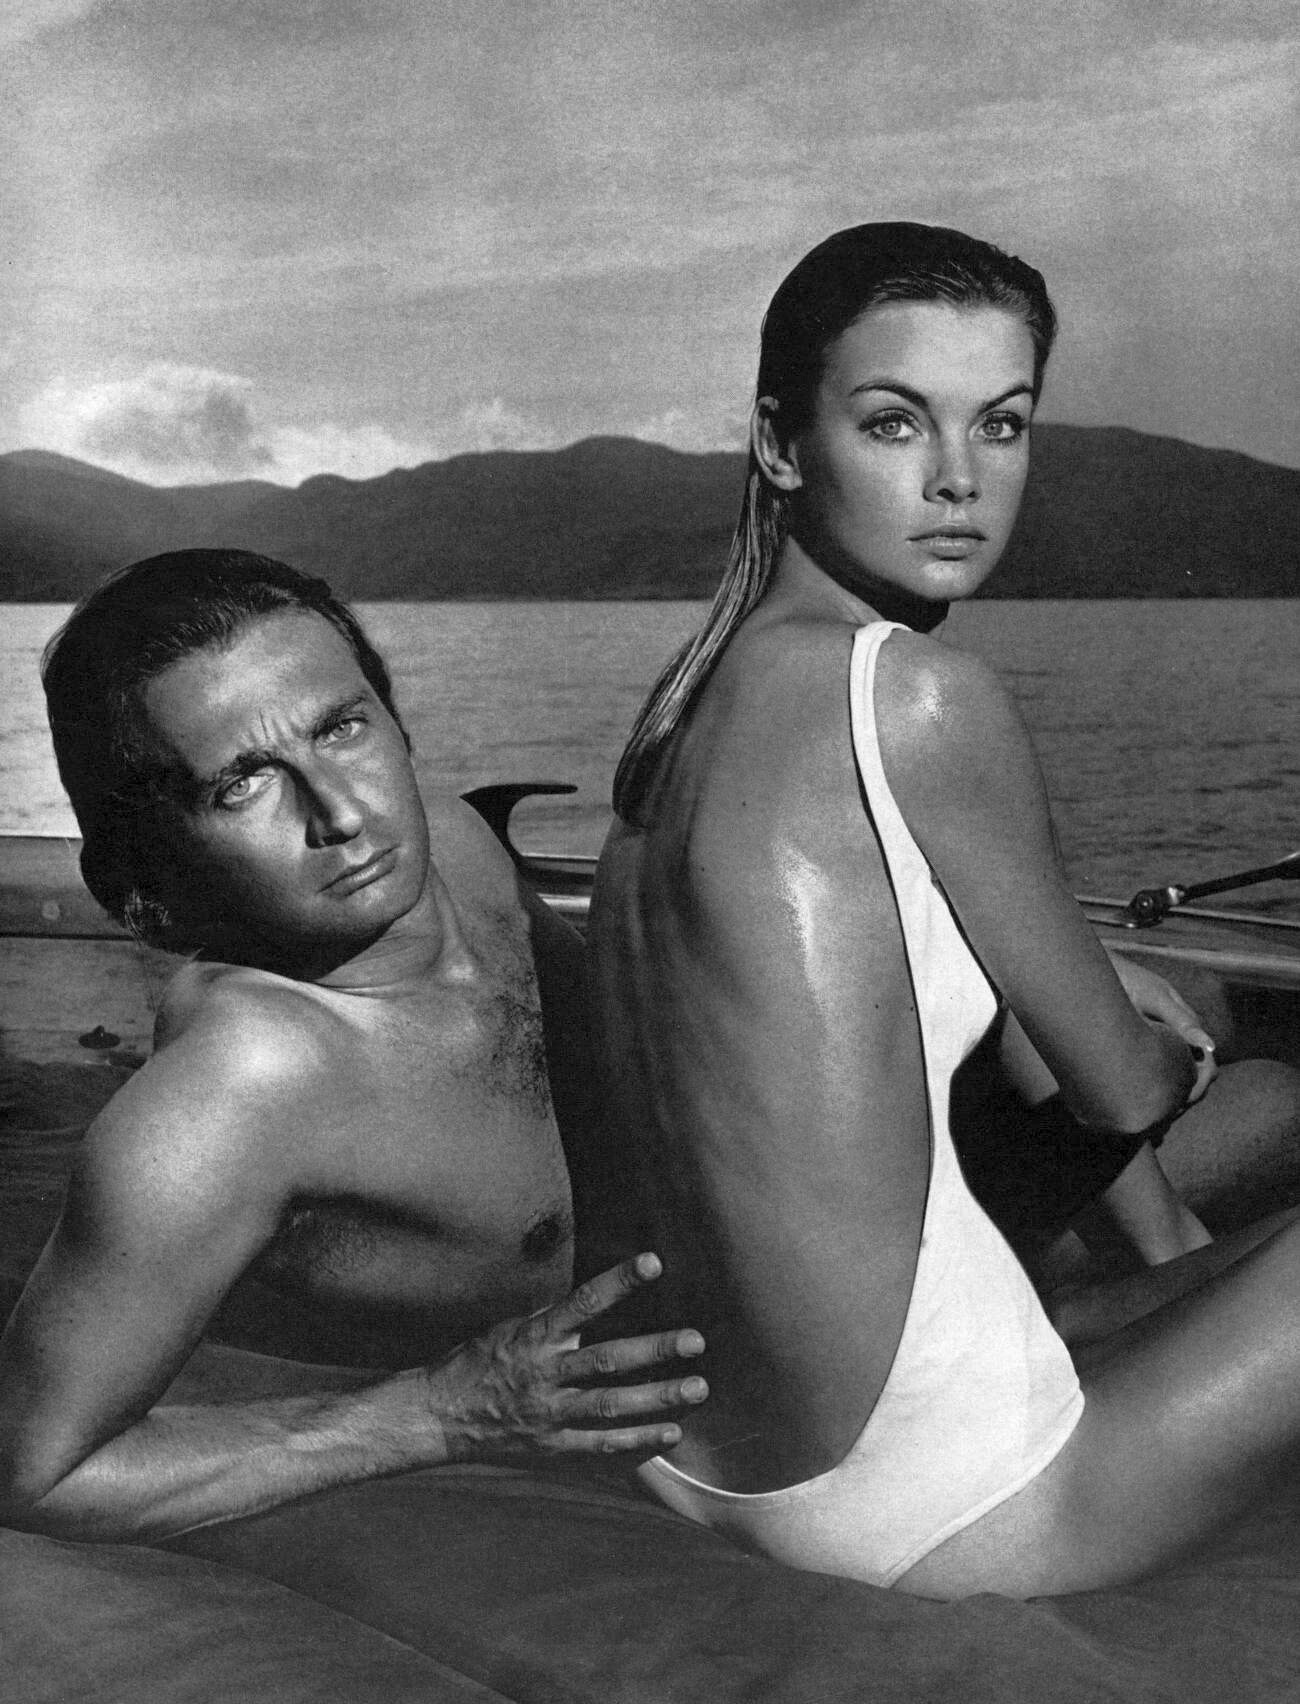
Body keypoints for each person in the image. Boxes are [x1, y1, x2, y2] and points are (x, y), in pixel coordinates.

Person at [588, 222, 1300, 1599]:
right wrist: (1170, 1039)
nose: (960, 478)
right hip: (940, 1500)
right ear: (782, 444)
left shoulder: (670, 731)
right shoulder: (910, 696)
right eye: (895, 422)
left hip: (705, 1466)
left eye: (1003, 423)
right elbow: (1122, 1094)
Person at [0, 550, 706, 1545]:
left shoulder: (460, 847)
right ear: (153, 859)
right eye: (243, 784)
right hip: (517, 1476)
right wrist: (443, 1412)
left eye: (341, 727)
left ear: (395, 720)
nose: (342, 814)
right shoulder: (232, 1091)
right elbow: (35, 1472)